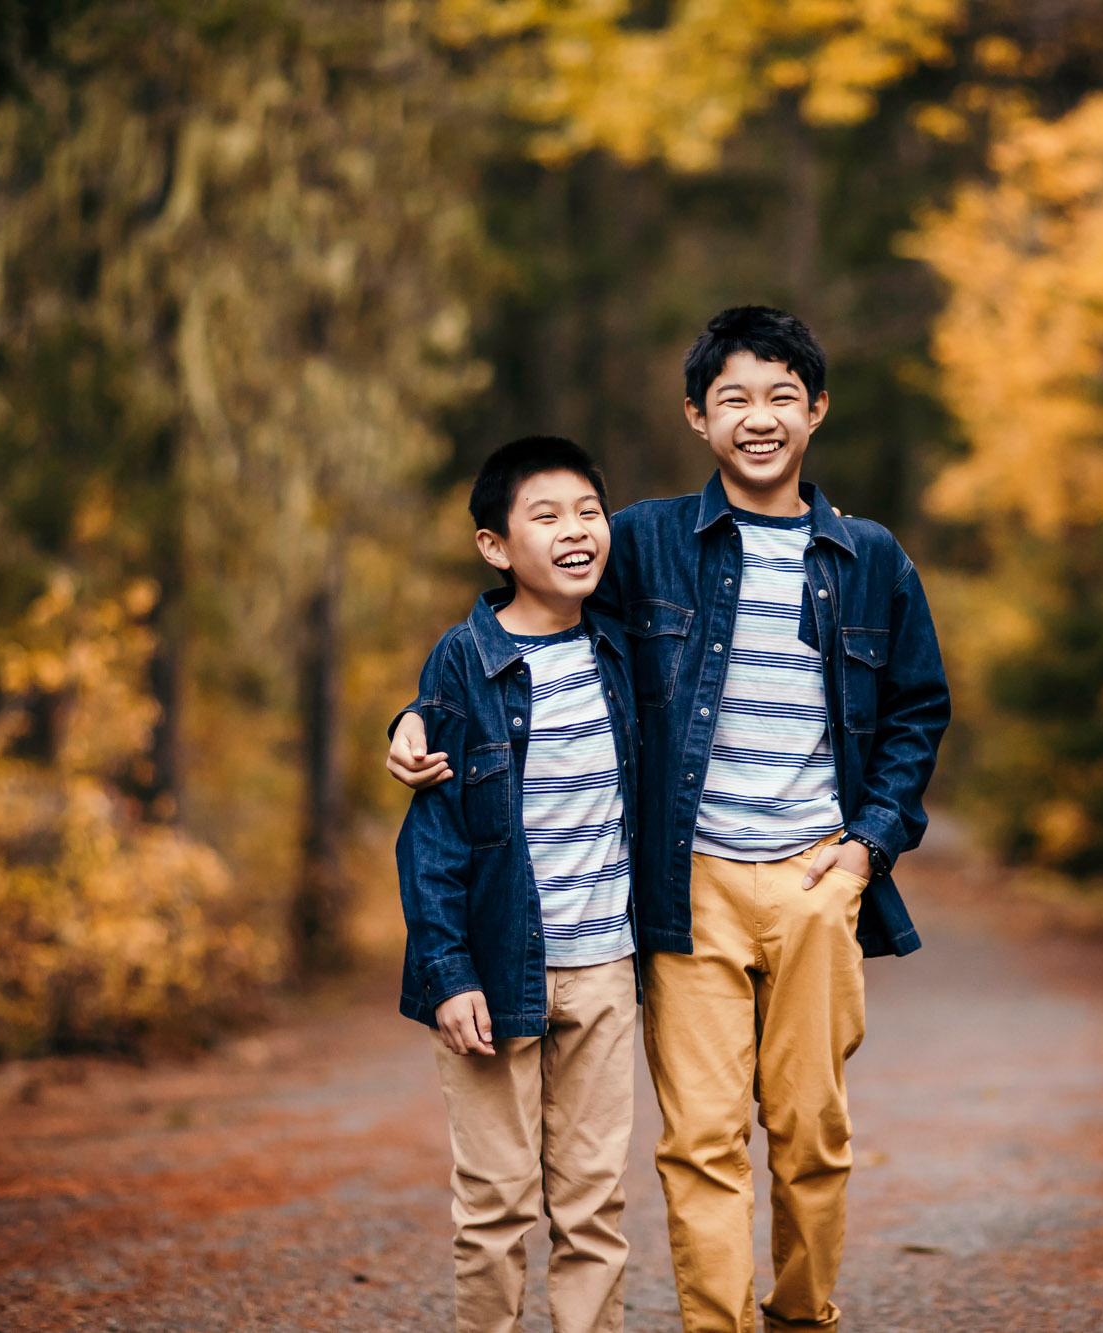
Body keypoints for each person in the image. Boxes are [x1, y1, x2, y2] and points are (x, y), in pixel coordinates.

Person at [391, 307, 950, 1333]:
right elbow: (525, 633)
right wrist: (415, 716)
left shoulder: (870, 558)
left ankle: (800, 1311)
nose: (758, 417)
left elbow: (917, 708)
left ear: (815, 410)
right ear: (697, 417)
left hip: (817, 878)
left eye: (781, 395)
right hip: (683, 883)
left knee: (810, 1131)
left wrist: (867, 846)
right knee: (697, 1139)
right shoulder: (642, 539)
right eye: (732, 397)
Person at [394, 435, 640, 1333]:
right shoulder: (462, 662)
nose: (575, 532)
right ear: (495, 546)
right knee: (496, 1203)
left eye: (588, 512)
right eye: (546, 516)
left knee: (593, 1205)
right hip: (496, 971)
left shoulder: (622, 646)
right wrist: (448, 969)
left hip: (608, 966)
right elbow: (434, 833)